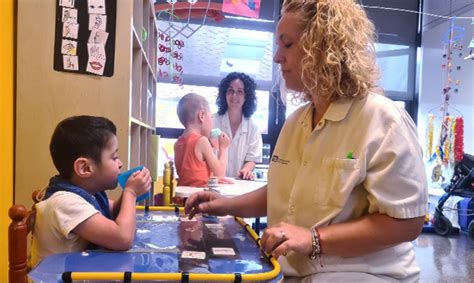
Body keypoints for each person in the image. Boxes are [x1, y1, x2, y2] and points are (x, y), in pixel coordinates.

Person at [184, 0, 428, 281]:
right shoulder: (296, 121)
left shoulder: (383, 118)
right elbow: (281, 194)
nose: (277, 57)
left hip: (364, 274)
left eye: (287, 45)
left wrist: (313, 239)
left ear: (324, 48)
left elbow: (407, 222)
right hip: (295, 272)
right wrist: (223, 204)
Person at [30, 115, 152, 267]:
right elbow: (122, 239)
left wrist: (131, 191)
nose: (120, 164)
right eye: (114, 157)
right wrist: (131, 193)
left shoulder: (88, 191)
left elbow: (113, 209)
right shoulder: (64, 203)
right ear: (85, 168)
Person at [213, 72, 263, 180]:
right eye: (230, 90)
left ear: (246, 97)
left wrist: (246, 170)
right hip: (214, 182)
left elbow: (252, 158)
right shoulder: (212, 121)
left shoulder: (253, 127)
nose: (234, 96)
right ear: (224, 94)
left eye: (240, 91)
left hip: (239, 185)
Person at [174, 93, 231, 187]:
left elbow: (191, 176)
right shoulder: (202, 141)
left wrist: (211, 180)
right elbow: (220, 173)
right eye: (211, 117)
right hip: (199, 198)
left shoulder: (177, 144)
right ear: (202, 116)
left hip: (182, 198)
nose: (212, 121)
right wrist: (223, 148)